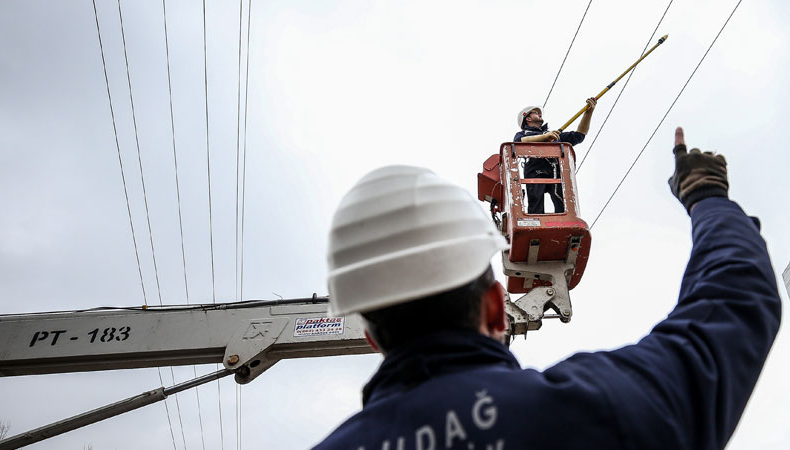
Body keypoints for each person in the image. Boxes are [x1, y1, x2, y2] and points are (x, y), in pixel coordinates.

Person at [314, 127, 781, 450]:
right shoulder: (595, 409)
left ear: (373, 338)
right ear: (496, 308)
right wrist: (705, 195)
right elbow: (733, 301)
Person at [514, 98, 596, 214]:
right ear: (528, 118)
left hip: (555, 172)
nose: (539, 114)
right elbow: (519, 142)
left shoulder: (554, 136)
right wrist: (545, 137)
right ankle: (536, 227)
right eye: (536, 113)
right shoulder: (524, 134)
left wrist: (588, 113)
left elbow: (579, 135)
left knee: (562, 204)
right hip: (535, 171)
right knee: (536, 205)